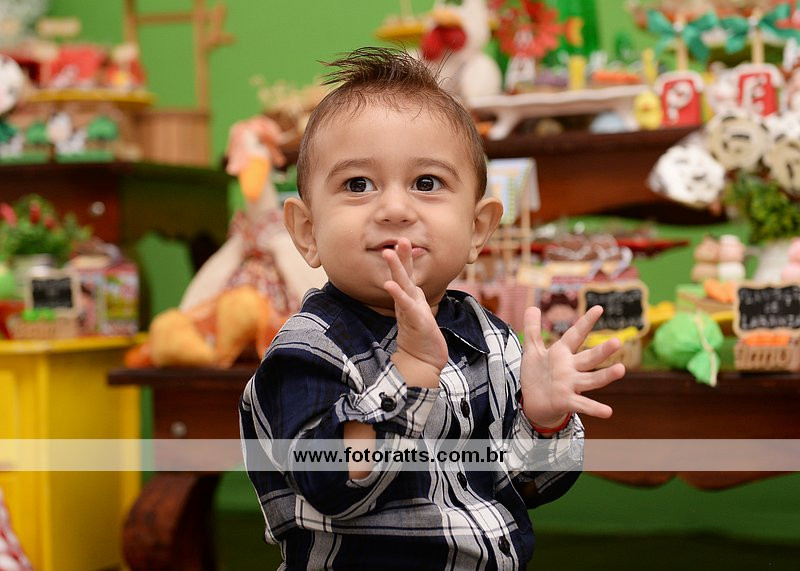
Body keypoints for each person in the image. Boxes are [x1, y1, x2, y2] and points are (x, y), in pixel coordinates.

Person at [239, 47, 625, 570]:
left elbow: (531, 485)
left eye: (427, 183)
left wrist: (543, 419)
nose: (395, 209)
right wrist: (410, 375)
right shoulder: (307, 350)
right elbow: (331, 484)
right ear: (307, 232)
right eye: (358, 184)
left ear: (478, 229)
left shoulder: (491, 340)